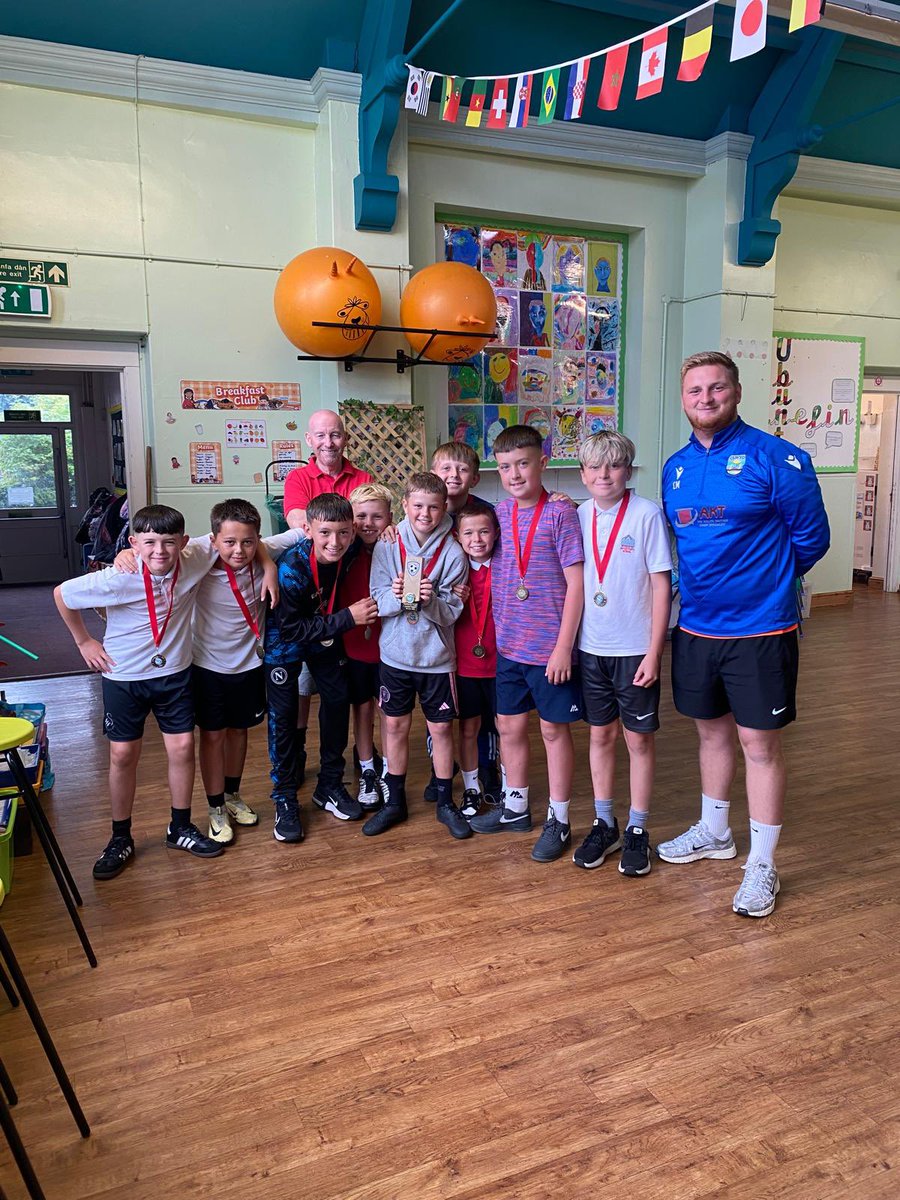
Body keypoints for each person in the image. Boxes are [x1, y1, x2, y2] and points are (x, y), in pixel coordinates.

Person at [658, 351, 830, 917]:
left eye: (716, 388)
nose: (705, 399)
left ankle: (762, 864)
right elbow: (684, 544)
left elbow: (811, 540)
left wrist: (767, 582)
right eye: (694, 391)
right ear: (683, 400)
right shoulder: (675, 467)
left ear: (735, 392)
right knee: (710, 735)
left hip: (762, 628)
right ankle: (715, 832)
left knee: (759, 745)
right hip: (698, 627)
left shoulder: (778, 458)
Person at [53, 504, 272, 879]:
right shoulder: (117, 577)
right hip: (123, 677)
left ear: (184, 542)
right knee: (123, 755)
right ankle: (120, 836)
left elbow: (246, 536)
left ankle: (180, 827)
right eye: (149, 543)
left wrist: (267, 567)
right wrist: (85, 642)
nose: (160, 552)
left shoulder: (196, 555)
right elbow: (62, 594)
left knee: (183, 748)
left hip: (174, 674)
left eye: (169, 543)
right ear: (134, 543)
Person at [111, 500, 290, 845]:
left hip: (251, 664)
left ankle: (233, 795)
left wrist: (267, 564)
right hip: (207, 667)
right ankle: (215, 807)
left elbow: (298, 533)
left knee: (240, 732)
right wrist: (124, 554)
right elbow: (158, 548)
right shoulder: (197, 557)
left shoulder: (261, 550)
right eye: (229, 543)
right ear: (212, 540)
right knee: (213, 736)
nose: (239, 550)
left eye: (249, 542)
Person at [470, 425, 585, 864]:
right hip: (510, 648)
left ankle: (559, 817)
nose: (514, 474)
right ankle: (515, 807)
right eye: (504, 467)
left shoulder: (560, 514)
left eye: (522, 464)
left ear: (543, 462)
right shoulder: (497, 514)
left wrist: (563, 647)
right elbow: (462, 526)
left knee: (553, 732)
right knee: (510, 728)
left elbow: (575, 584)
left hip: (549, 650)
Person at [574, 432, 673, 877]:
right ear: (583, 474)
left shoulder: (647, 514)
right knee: (599, 737)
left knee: (638, 740)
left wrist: (655, 652)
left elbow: (660, 586)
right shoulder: (576, 514)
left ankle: (637, 827)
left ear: (628, 471)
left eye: (613, 466)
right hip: (591, 647)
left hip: (635, 649)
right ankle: (604, 821)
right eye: (594, 468)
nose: (604, 475)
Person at [264, 492, 378, 844]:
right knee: (283, 716)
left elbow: (375, 532)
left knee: (337, 698)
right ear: (308, 529)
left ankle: (329, 785)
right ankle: (284, 796)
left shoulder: (352, 547)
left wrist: (386, 530)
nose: (335, 542)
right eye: (326, 532)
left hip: (325, 633)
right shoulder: (291, 568)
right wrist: (348, 618)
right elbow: (291, 629)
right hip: (285, 640)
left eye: (344, 532)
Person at [366, 472, 469, 839]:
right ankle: (394, 801)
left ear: (445, 509)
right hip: (395, 656)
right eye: (418, 506)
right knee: (394, 725)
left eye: (433, 507)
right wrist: (396, 596)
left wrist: (430, 602)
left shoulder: (454, 553)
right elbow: (377, 597)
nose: (425, 514)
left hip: (436, 659)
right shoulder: (388, 545)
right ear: (405, 506)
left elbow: (453, 611)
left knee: (441, 729)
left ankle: (445, 802)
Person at [281, 409, 374, 780]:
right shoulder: (298, 477)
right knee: (303, 686)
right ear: (309, 441)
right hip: (308, 585)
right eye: (320, 436)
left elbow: (369, 518)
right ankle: (298, 751)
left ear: (345, 438)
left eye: (334, 435)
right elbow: (299, 522)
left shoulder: (362, 477)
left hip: (344, 587)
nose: (328, 443)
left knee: (338, 690)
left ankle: (342, 765)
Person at [429, 441, 501, 804]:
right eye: (446, 469)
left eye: (461, 469)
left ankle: (488, 773)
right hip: (445, 644)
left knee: (488, 721)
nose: (453, 476)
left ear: (473, 477)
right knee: (443, 718)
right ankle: (439, 771)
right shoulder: (427, 516)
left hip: (489, 648)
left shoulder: (491, 514)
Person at [342, 482, 393, 811]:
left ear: (390, 518)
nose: (369, 523)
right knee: (361, 709)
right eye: (361, 516)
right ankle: (367, 769)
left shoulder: (397, 547)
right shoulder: (343, 551)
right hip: (353, 646)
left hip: (389, 646)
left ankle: (390, 770)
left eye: (377, 516)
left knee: (389, 712)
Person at [452, 500, 500, 821]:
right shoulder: (454, 572)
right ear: (458, 537)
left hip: (501, 665)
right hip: (464, 665)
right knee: (468, 727)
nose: (477, 540)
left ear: (496, 534)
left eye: (484, 532)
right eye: (469, 533)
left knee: (503, 728)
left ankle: (507, 784)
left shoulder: (508, 567)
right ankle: (470, 786)